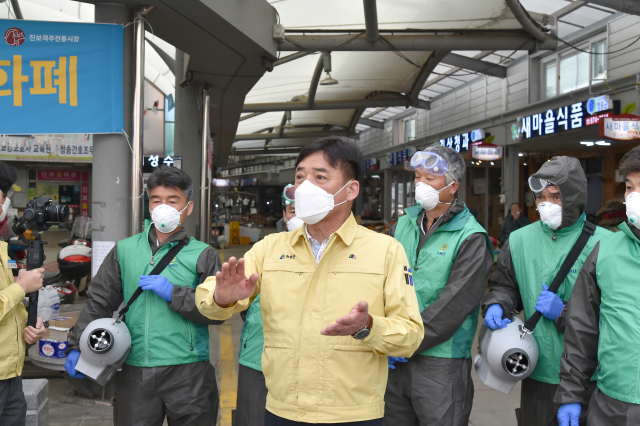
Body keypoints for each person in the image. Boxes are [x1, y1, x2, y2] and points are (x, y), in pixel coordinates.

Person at [196, 136, 424, 426]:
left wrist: (368, 327)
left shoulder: (386, 251)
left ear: (350, 189)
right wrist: (222, 297)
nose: (305, 187)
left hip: (353, 414)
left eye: (320, 176)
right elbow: (207, 301)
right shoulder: (270, 248)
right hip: (282, 410)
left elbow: (410, 335)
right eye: (300, 177)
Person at [64, 167, 223, 426]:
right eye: (156, 200)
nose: (163, 207)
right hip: (136, 369)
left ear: (189, 207)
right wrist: (77, 344)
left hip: (189, 369)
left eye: (173, 201)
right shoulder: (125, 249)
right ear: (148, 205)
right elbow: (100, 301)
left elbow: (216, 311)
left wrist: (173, 293)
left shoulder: (203, 254)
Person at [482, 156, 611, 426]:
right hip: (537, 370)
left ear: (574, 197)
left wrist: (564, 313)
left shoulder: (605, 245)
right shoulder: (519, 240)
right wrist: (498, 304)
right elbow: (505, 285)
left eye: (555, 197)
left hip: (591, 376)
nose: (545, 204)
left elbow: (614, 317)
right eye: (540, 197)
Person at [384, 145, 494, 426]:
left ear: (452, 186)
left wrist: (405, 341)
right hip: (394, 355)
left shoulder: (471, 236)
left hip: (440, 360)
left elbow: (454, 303)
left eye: (430, 179)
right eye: (418, 177)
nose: (420, 184)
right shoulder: (402, 226)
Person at [555, 146, 640, 426]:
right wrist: (571, 394)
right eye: (629, 187)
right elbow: (582, 330)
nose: (633, 197)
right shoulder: (606, 252)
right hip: (612, 404)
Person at [237, 184, 302, 426]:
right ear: (284, 215)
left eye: (305, 210)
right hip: (257, 356)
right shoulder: (265, 249)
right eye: (293, 211)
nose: (298, 217)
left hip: (307, 360)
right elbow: (244, 301)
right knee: (252, 417)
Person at [0, 161, 46, 426]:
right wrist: (22, 287)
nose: (5, 202)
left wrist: (30, 326)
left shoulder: (2, 247)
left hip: (10, 373)